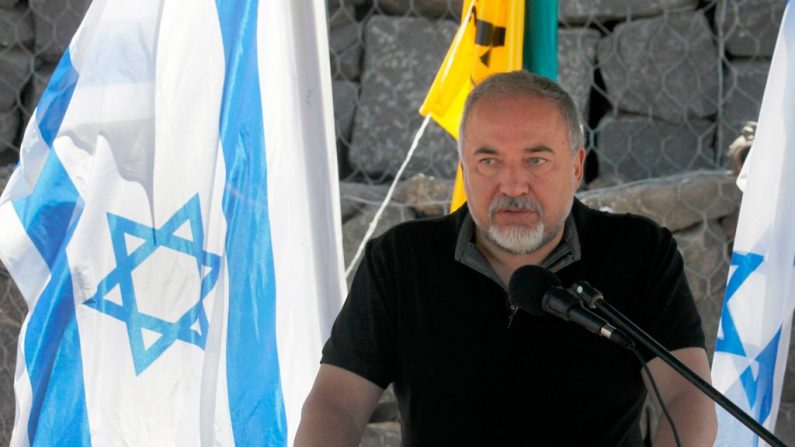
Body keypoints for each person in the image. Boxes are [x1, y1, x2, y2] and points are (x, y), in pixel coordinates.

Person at [295, 71, 717, 446]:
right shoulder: (400, 260)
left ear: (576, 167)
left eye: (536, 160)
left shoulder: (638, 251)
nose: (513, 185)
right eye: (489, 161)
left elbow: (687, 397)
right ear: (464, 167)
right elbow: (336, 404)